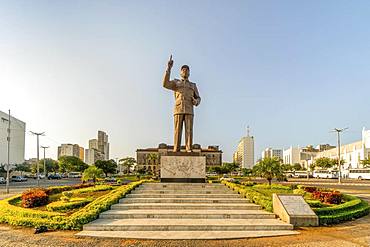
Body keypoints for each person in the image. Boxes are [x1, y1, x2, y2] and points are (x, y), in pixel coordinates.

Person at [163, 55, 201, 152]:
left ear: (189, 73)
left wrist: (196, 101)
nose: (185, 71)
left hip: (189, 109)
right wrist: (169, 68)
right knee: (177, 130)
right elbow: (165, 84)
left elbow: (199, 98)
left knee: (189, 130)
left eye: (187, 70)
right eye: (183, 70)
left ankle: (189, 148)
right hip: (178, 109)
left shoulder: (193, 85)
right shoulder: (176, 83)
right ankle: (176, 148)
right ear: (180, 72)